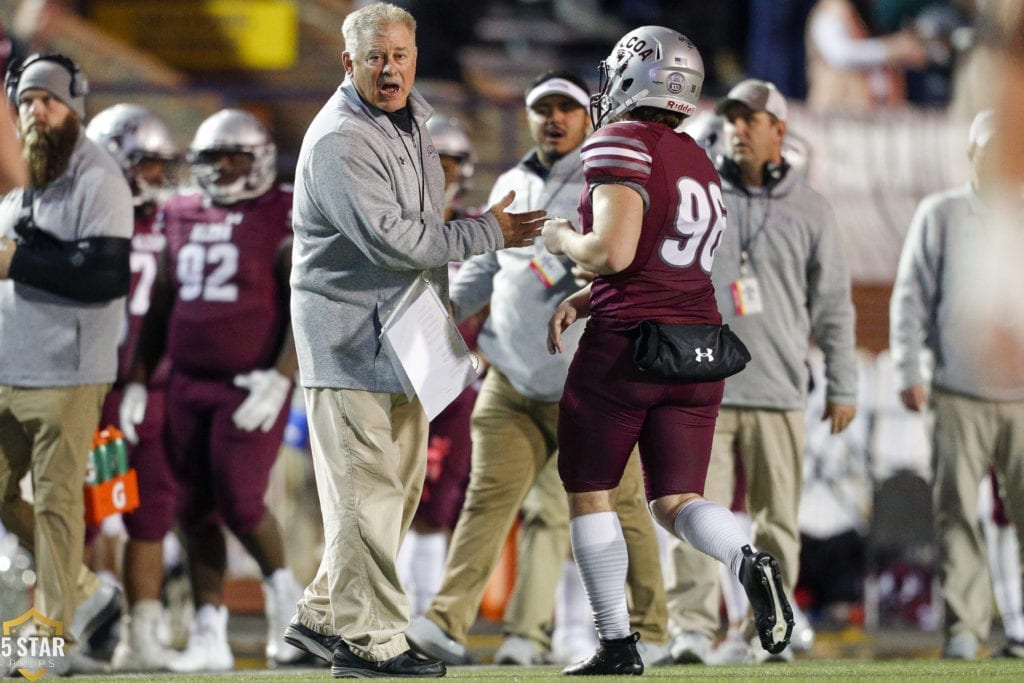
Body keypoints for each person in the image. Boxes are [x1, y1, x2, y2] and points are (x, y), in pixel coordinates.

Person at [281, 3, 545, 678]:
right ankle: (370, 639)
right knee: (366, 492)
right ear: (349, 62)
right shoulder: (342, 138)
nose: (390, 68)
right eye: (376, 56)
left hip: (403, 334)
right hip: (348, 340)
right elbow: (395, 240)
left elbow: (417, 236)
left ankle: (321, 617)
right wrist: (490, 232)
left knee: (390, 493)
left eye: (400, 54)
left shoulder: (410, 123)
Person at [541, 29, 794, 676]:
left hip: (627, 349)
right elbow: (666, 263)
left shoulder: (622, 141)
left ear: (634, 77)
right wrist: (589, 299)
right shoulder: (697, 156)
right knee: (676, 500)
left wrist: (562, 236)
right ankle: (746, 559)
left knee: (590, 490)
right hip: (698, 349)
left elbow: (614, 253)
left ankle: (617, 643)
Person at [404, 69, 671, 669]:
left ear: (588, 116)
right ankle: (447, 622)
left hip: (591, 382)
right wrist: (435, 316)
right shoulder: (516, 180)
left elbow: (631, 267)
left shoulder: (611, 179)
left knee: (622, 506)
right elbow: (484, 270)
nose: (553, 119)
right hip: (510, 376)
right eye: (542, 108)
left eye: (565, 108)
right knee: (486, 502)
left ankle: (653, 626)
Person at [664, 78, 857, 665]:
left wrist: (844, 382)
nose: (738, 128)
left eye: (752, 119)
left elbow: (833, 305)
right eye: (731, 118)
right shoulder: (696, 192)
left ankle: (765, 631)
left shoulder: (812, 206)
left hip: (777, 385)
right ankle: (692, 629)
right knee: (696, 513)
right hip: (701, 385)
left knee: (778, 523)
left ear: (780, 130)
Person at [120, 108, 306, 672]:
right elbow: (160, 307)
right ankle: (208, 631)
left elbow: (305, 303)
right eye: (211, 159)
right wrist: (136, 379)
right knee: (193, 509)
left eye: (235, 157)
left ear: (261, 160)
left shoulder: (280, 212)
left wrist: (282, 375)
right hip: (183, 382)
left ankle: (288, 605)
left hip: (249, 384)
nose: (223, 169)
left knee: (240, 500)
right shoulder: (179, 211)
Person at [0, 52, 132, 664]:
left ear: (74, 106)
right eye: (26, 101)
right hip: (8, 361)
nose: (36, 111)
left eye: (48, 100)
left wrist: (16, 261)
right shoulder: (19, 168)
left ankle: (53, 635)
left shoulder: (98, 175)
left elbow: (104, 275)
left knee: (55, 504)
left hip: (67, 369)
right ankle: (87, 594)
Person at [890, 107, 1024, 660]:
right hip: (956, 389)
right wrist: (906, 369)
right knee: (955, 515)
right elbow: (910, 296)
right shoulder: (939, 213)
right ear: (972, 152)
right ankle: (964, 629)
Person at [84, 102, 181, 671]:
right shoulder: (86, 215)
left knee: (150, 511)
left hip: (153, 391)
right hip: (97, 388)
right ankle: (82, 626)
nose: (155, 178)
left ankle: (142, 632)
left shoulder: (172, 220)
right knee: (93, 510)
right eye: (144, 165)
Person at [395, 114, 481, 617]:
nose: (442, 174)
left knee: (434, 504)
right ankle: (390, 614)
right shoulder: (393, 222)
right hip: (395, 377)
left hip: (454, 378)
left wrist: (483, 353)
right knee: (388, 498)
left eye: (449, 163)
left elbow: (495, 297)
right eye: (433, 162)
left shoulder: (476, 228)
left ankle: (421, 616)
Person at [805, 0, 931, 110]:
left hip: (871, 112)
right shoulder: (832, 10)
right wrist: (892, 50)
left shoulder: (867, 14)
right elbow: (840, 55)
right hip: (835, 113)